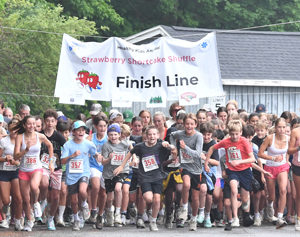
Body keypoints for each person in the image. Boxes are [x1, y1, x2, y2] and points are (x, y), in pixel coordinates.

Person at [114, 125, 177, 231]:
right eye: (150, 134)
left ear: (157, 135)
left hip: (157, 176)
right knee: (149, 198)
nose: (152, 136)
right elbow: (130, 153)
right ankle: (149, 210)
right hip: (145, 177)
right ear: (146, 136)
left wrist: (170, 147)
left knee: (157, 200)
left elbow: (174, 154)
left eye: (154, 134)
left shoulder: (162, 145)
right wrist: (121, 166)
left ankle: (153, 221)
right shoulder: (140, 146)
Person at [205, 120, 255, 229]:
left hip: (245, 170)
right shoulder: (226, 142)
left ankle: (244, 206)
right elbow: (212, 148)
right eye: (232, 134)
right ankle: (235, 218)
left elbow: (252, 158)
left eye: (237, 134)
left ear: (241, 132)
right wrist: (206, 163)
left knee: (245, 199)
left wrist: (239, 161)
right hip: (232, 170)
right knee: (233, 189)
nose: (234, 136)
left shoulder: (244, 142)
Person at [13, 115, 54, 231]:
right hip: (24, 170)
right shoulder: (20, 137)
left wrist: (51, 163)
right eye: (29, 124)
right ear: (25, 125)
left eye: (34, 124)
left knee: (34, 186)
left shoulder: (40, 136)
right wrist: (25, 150)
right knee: (25, 200)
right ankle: (29, 222)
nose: (32, 126)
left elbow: (50, 146)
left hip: (36, 168)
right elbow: (15, 156)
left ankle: (36, 203)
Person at [61, 120, 99, 231]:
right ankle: (77, 219)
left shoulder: (88, 143)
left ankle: (84, 203)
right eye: (78, 130)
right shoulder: (67, 145)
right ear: (73, 132)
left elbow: (94, 152)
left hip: (84, 172)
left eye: (83, 130)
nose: (81, 132)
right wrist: (72, 156)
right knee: (73, 200)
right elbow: (62, 161)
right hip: (71, 174)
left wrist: (98, 156)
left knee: (83, 191)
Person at [170, 113, 203, 231]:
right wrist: (174, 148)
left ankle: (193, 218)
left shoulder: (199, 136)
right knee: (186, 184)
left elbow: (198, 154)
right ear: (183, 124)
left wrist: (185, 148)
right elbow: (172, 135)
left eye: (191, 124)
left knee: (195, 197)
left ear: (195, 124)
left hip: (197, 168)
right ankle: (183, 207)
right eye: (187, 124)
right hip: (185, 166)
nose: (189, 126)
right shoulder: (180, 134)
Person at [258, 118, 289, 228]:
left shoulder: (288, 139)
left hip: (283, 167)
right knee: (271, 196)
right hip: (270, 167)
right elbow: (260, 154)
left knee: (283, 190)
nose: (281, 129)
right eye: (279, 127)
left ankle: (280, 217)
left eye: (283, 127)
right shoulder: (270, 138)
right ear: (275, 128)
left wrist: (288, 160)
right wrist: (272, 157)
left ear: (286, 128)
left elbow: (289, 152)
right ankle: (270, 206)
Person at [39, 109, 66, 231]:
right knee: (44, 183)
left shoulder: (59, 136)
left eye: (52, 121)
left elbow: (67, 148)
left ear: (55, 122)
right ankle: (43, 200)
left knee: (55, 197)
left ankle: (50, 218)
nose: (50, 123)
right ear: (44, 122)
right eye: (48, 121)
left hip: (56, 168)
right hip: (42, 166)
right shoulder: (39, 134)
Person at [101, 123, 131, 227]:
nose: (113, 137)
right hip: (109, 173)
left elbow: (132, 150)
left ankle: (118, 213)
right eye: (111, 134)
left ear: (119, 134)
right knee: (109, 198)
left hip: (122, 171)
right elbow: (103, 162)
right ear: (107, 135)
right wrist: (109, 158)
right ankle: (110, 213)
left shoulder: (124, 144)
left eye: (115, 134)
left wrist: (135, 158)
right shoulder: (106, 145)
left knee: (118, 189)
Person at [0, 118, 23, 230]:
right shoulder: (4, 141)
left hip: (16, 172)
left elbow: (24, 159)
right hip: (4, 172)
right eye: (12, 128)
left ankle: (18, 220)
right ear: (8, 129)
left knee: (18, 198)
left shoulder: (22, 141)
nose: (14, 131)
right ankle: (5, 218)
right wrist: (5, 158)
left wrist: (16, 162)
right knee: (5, 200)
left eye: (16, 128)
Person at [87, 114, 108, 229]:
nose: (102, 128)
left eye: (104, 126)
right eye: (100, 126)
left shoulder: (109, 138)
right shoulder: (91, 138)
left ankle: (101, 214)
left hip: (105, 167)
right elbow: (82, 146)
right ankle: (94, 209)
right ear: (95, 126)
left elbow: (123, 145)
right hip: (93, 166)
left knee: (103, 192)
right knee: (95, 186)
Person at [288, 120, 300, 231]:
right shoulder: (295, 131)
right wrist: (298, 148)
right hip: (298, 165)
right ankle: (299, 218)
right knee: (299, 193)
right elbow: (289, 150)